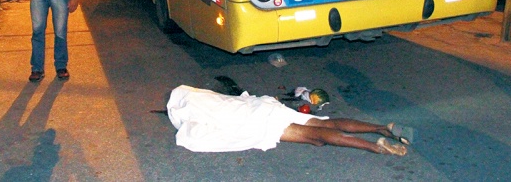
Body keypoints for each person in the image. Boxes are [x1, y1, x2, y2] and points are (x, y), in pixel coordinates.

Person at [167, 85, 411, 155]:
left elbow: (192, 136)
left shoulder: (192, 115)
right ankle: (383, 128)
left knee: (315, 137)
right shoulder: (204, 97)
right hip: (264, 106)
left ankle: (373, 146)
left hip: (257, 120)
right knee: (324, 123)